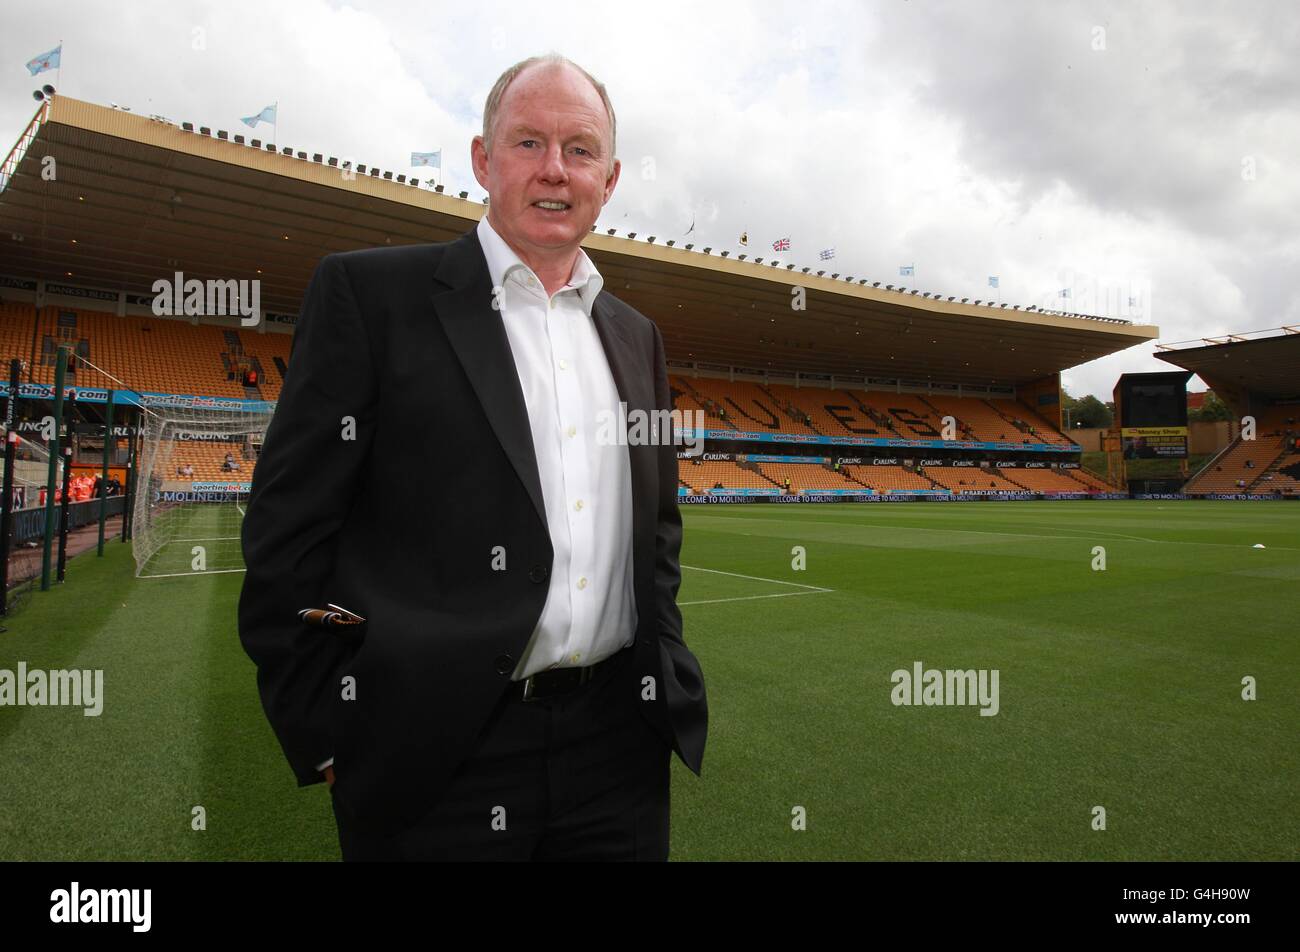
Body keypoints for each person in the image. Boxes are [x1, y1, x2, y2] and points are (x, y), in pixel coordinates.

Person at [238, 53, 707, 862]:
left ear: (611, 176)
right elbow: (287, 534)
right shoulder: (371, 298)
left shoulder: (638, 338)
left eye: (580, 149)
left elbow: (656, 535)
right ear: (484, 161)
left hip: (616, 755)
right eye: (528, 143)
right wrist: (325, 728)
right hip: (433, 757)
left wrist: (664, 669)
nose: (555, 169)